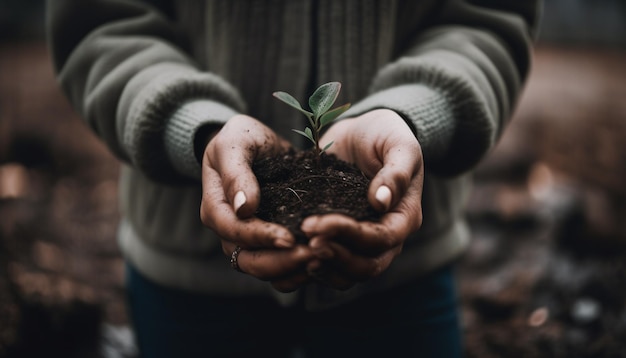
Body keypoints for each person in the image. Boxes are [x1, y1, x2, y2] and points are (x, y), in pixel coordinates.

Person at [46, 0, 541, 356]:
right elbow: (102, 21)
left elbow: (487, 17)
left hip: (403, 281)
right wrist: (195, 127)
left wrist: (416, 113)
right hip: (187, 284)